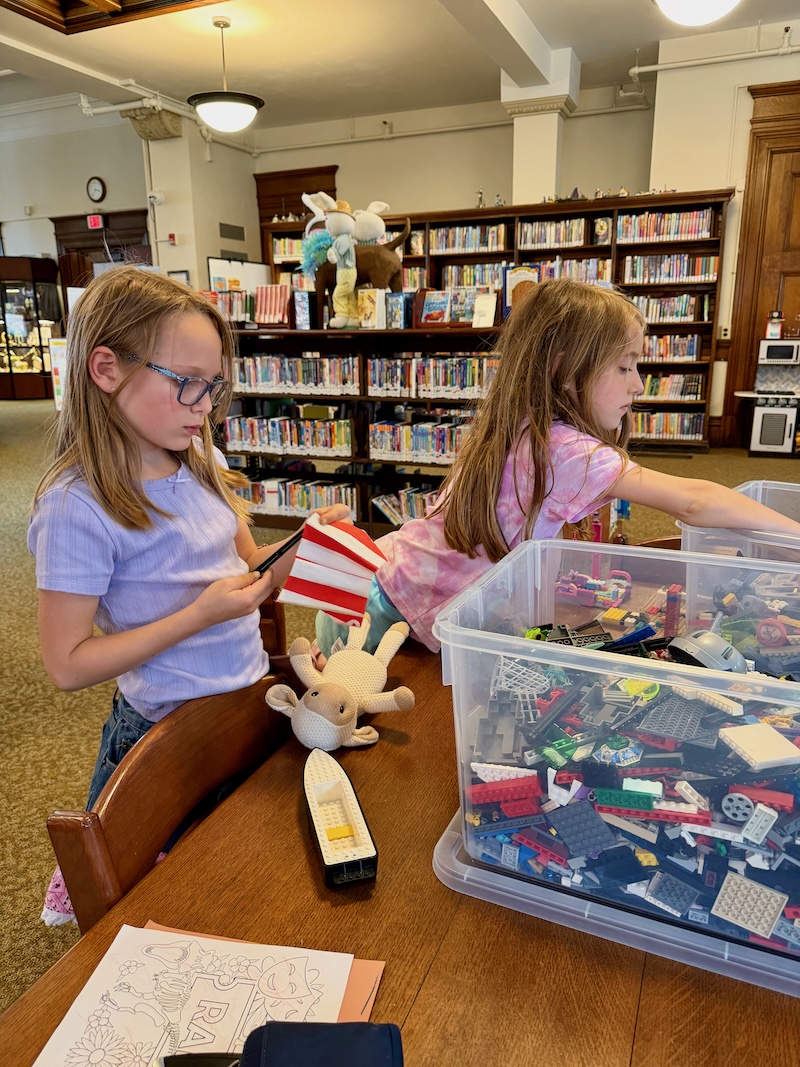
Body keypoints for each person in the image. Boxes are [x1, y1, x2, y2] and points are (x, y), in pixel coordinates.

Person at [28, 265, 349, 923]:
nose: (205, 406)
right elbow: (67, 664)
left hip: (241, 701)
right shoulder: (76, 506)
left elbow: (251, 573)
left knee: (258, 874)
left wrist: (303, 547)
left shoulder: (194, 457)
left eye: (214, 386)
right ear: (106, 369)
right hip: (165, 731)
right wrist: (197, 614)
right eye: (187, 385)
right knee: (179, 902)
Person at [315, 277, 800, 662]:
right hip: (383, 618)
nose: (638, 385)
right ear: (567, 371)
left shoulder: (521, 424)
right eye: (625, 366)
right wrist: (794, 535)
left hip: (376, 581)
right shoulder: (565, 451)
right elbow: (695, 501)